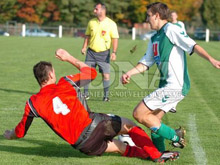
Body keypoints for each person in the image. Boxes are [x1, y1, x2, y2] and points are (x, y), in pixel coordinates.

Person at [3, 49, 180, 163]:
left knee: (120, 147)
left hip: (83, 146)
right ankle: (157, 154)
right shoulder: (66, 82)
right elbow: (91, 72)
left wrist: (10, 135)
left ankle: (153, 157)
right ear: (50, 75)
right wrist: (69, 58)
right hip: (96, 125)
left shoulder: (32, 103)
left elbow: (20, 132)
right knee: (130, 126)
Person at [121, 2, 220, 152]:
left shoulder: (171, 29)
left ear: (157, 15)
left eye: (148, 16)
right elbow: (146, 63)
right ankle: (160, 154)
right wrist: (129, 73)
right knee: (154, 120)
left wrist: (211, 59)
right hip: (166, 85)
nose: (147, 20)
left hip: (175, 86)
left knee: (139, 113)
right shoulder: (154, 38)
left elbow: (192, 45)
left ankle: (175, 136)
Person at [81, 2, 119, 102]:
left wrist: (114, 52)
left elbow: (115, 38)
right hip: (91, 52)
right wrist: (84, 47)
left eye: (96, 9)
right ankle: (85, 95)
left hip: (104, 53)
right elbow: (87, 36)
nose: (94, 11)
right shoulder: (91, 22)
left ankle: (106, 97)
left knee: (105, 75)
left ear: (102, 10)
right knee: (86, 73)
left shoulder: (111, 24)